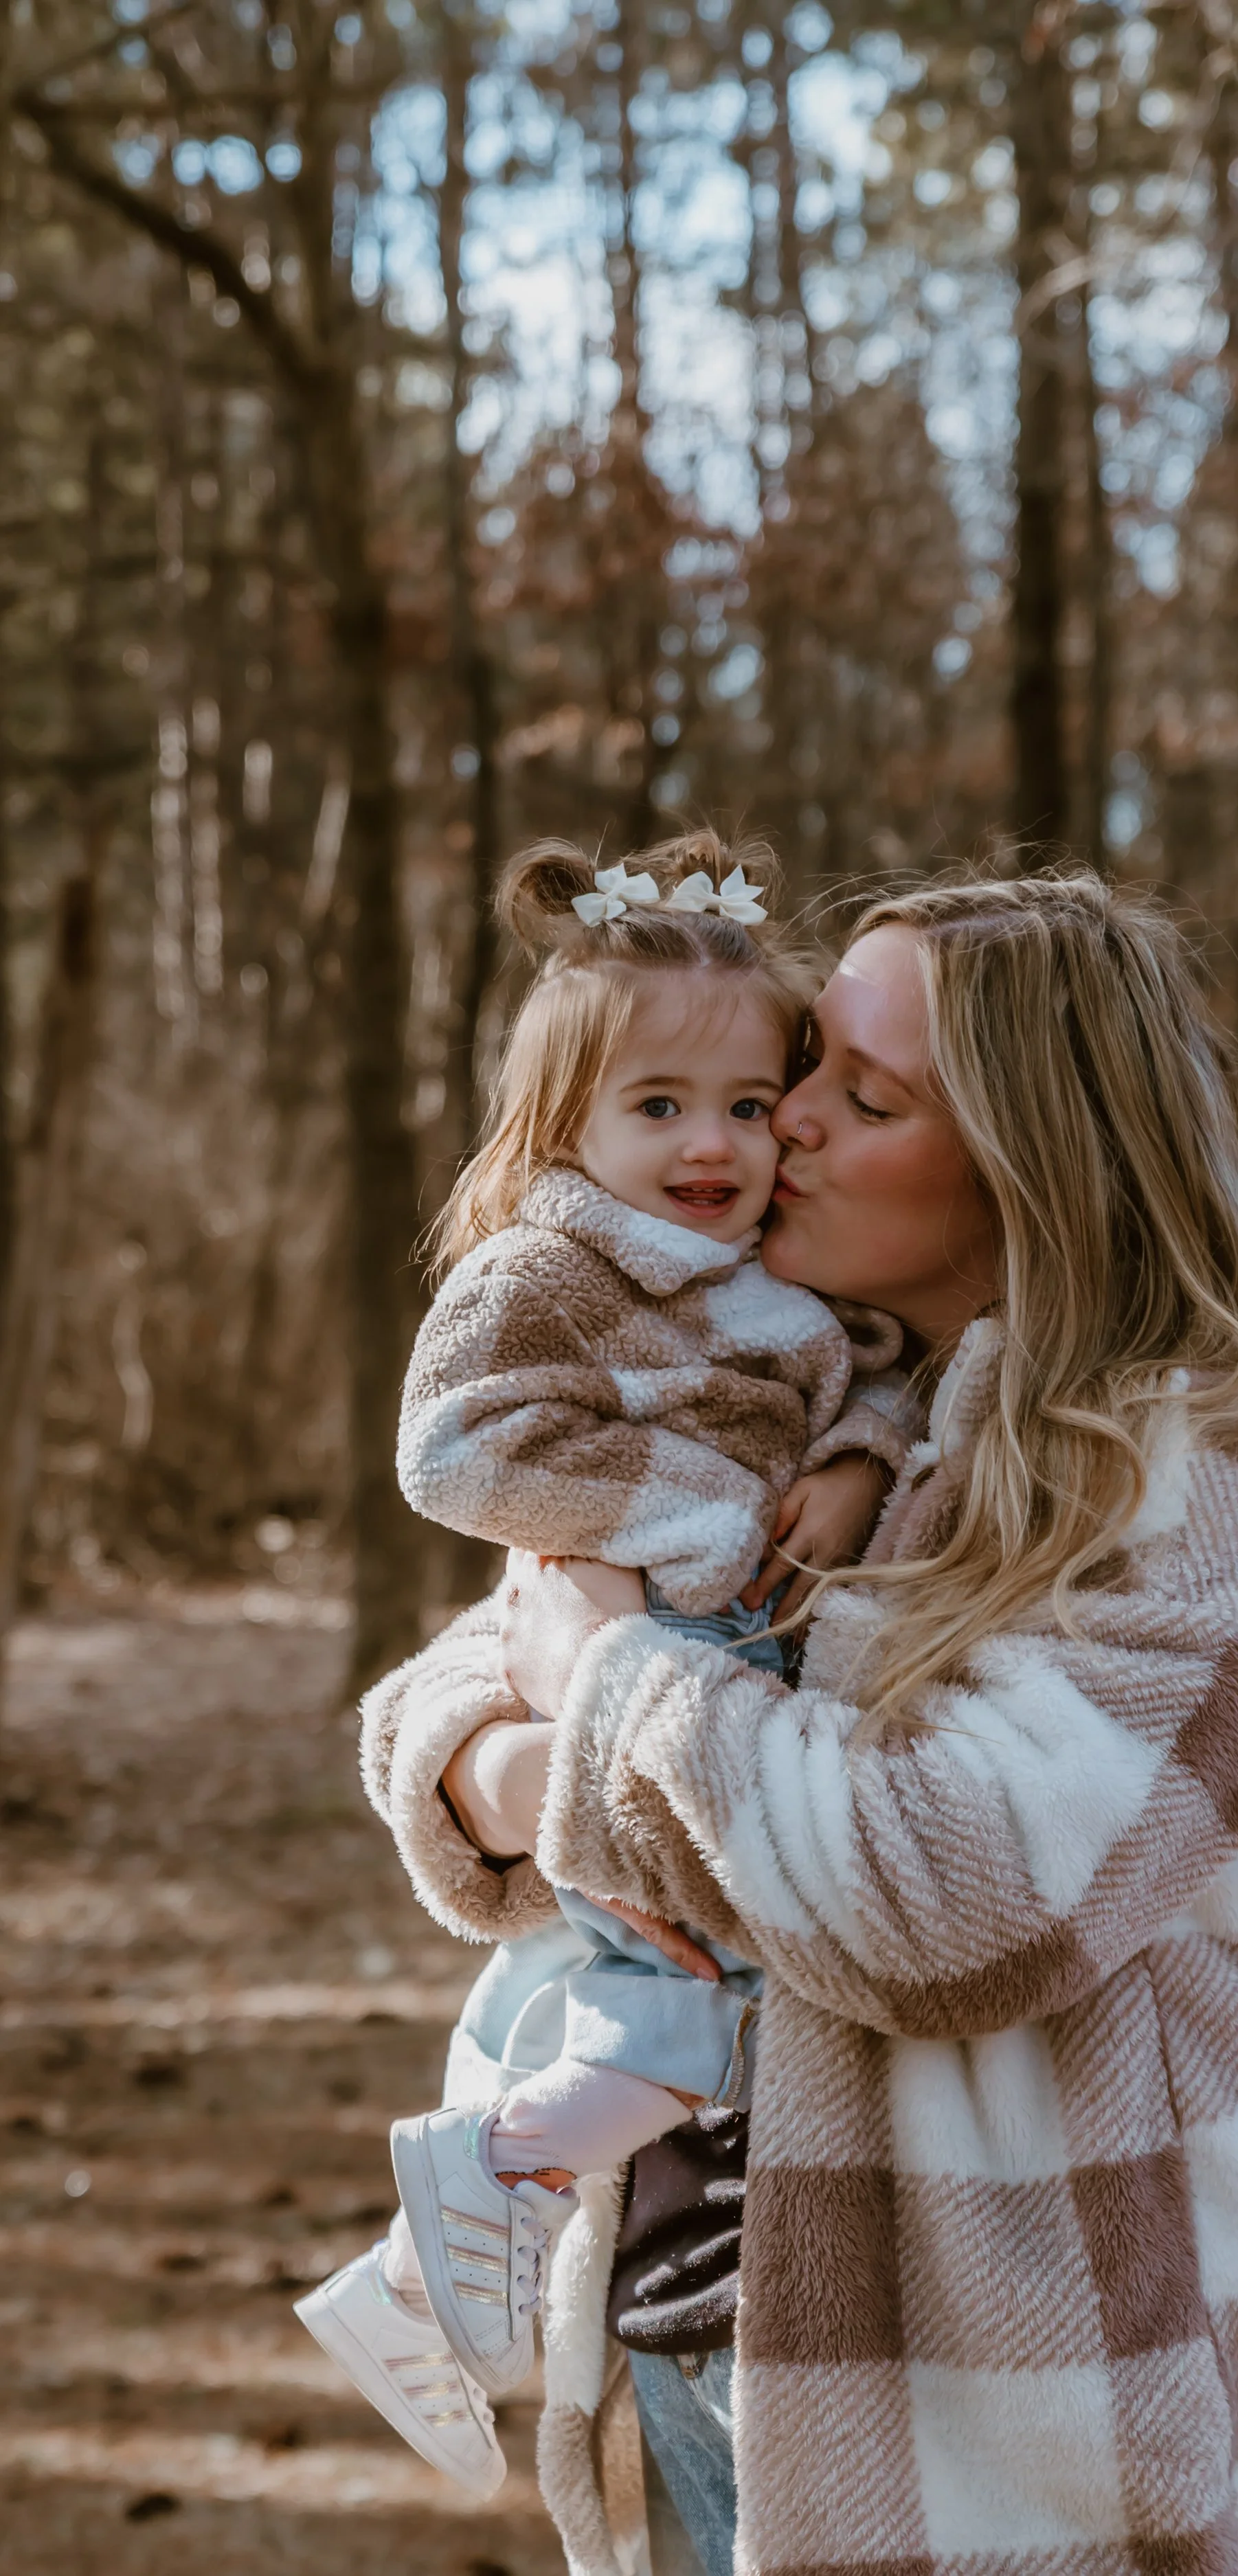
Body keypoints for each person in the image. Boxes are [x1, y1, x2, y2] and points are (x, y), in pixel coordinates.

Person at [361, 868, 1238, 2576]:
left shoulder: (1218, 1482)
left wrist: (598, 1698)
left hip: (1048, 2443)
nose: (780, 1122)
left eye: (855, 1096)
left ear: (1034, 1163)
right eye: (804, 1067)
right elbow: (506, 1647)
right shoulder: (856, 1420)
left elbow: (948, 1905)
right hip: (733, 2346)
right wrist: (504, 1760)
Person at [296, 833, 913, 2492]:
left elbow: (865, 1384)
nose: (708, 1144)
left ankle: (421, 2269)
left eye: (740, 1101)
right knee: (673, 1998)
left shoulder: (780, 1279)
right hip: (653, 1634)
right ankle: (477, 2188)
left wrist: (849, 1470)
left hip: (715, 1668)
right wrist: (688, 1517)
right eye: (655, 1107)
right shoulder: (546, 1271)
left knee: (614, 1979)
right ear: (564, 1124)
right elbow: (452, 1451)